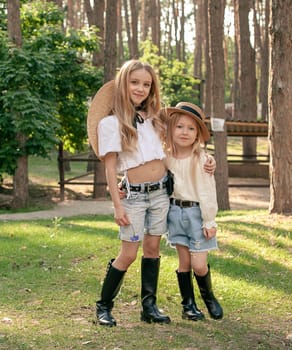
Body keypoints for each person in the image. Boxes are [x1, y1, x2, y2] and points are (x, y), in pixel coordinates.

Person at [86, 60, 215, 327]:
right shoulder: (110, 124)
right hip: (134, 197)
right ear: (123, 83)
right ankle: (104, 306)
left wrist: (207, 158)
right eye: (135, 82)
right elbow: (110, 169)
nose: (140, 88)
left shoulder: (155, 119)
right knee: (129, 253)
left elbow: (184, 141)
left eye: (146, 84)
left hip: (160, 194)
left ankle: (149, 307)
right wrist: (117, 206)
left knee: (153, 248)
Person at [162, 102, 223, 321]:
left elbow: (207, 192)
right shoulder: (165, 157)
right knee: (184, 263)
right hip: (175, 214)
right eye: (179, 127)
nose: (184, 132)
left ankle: (209, 297)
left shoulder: (202, 160)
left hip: (196, 215)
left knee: (198, 265)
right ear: (171, 129)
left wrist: (209, 220)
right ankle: (188, 305)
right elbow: (147, 171)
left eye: (190, 128)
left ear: (197, 133)